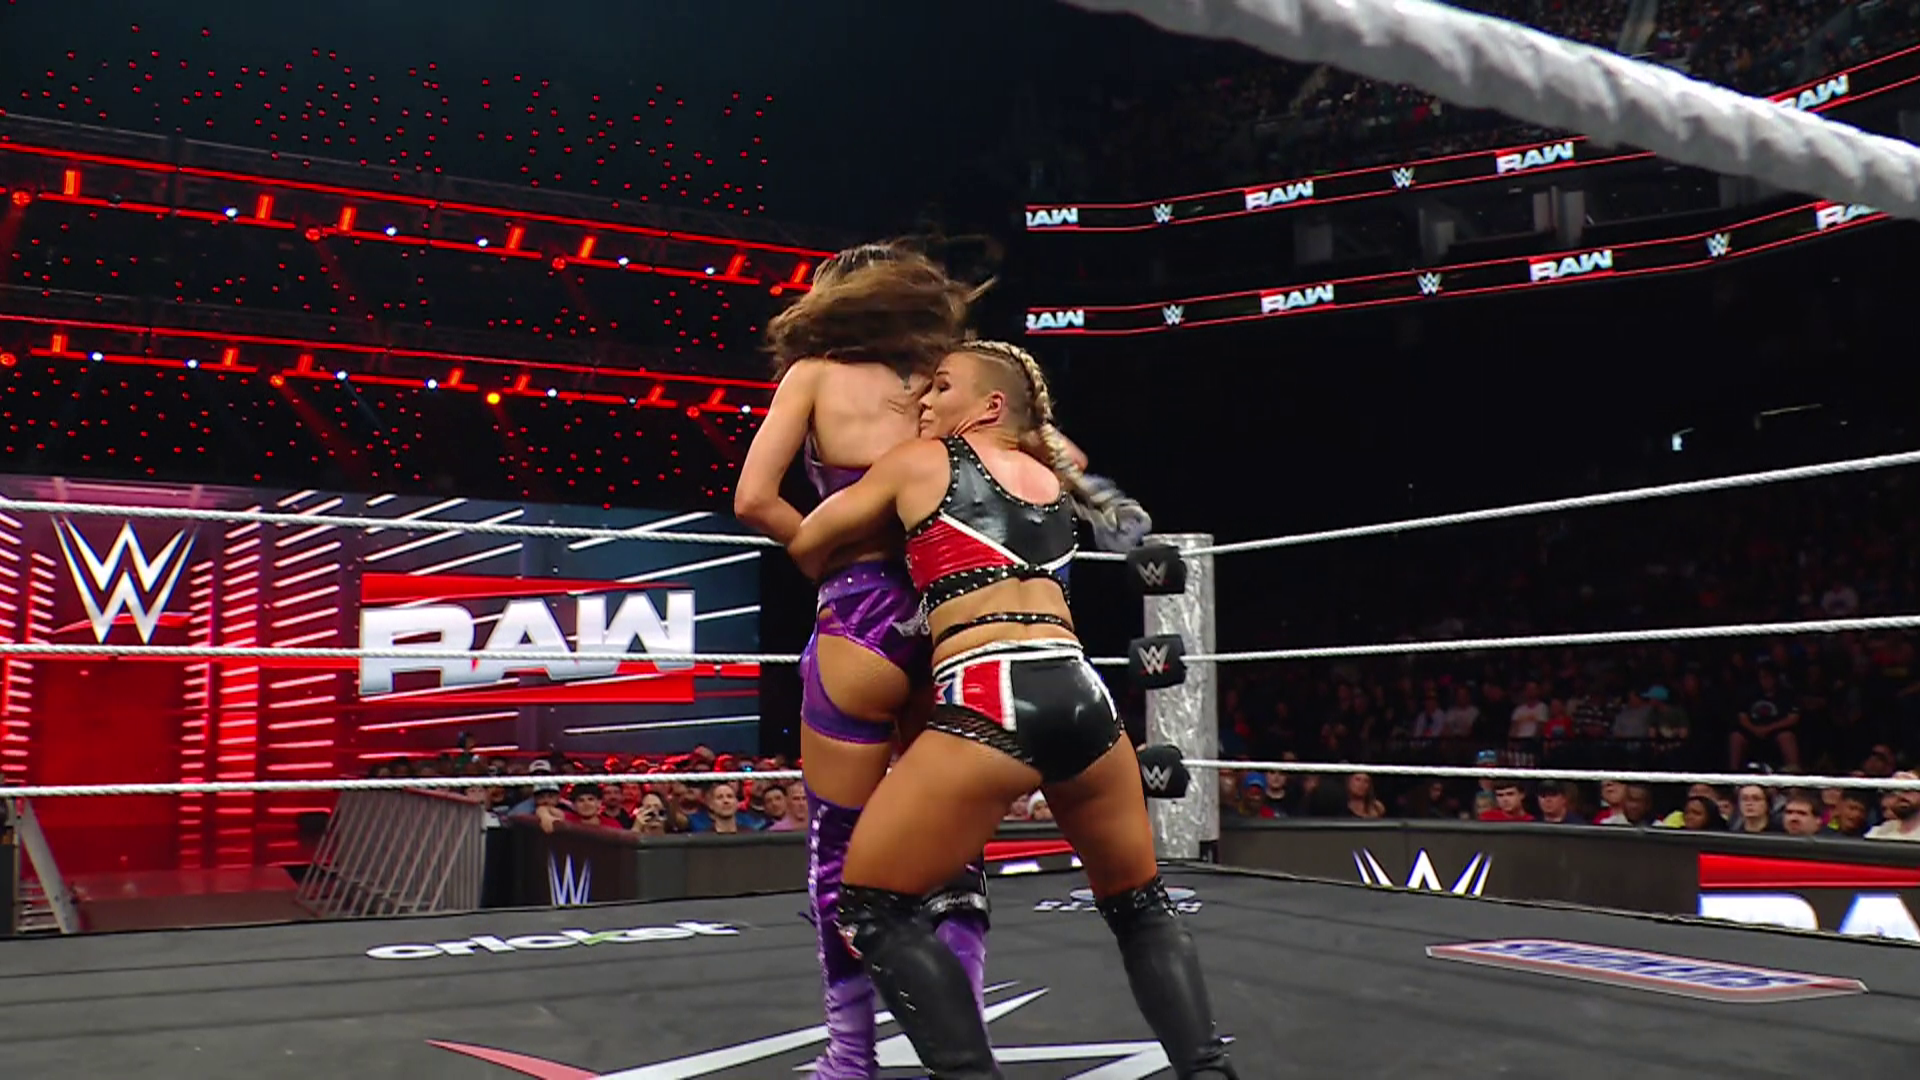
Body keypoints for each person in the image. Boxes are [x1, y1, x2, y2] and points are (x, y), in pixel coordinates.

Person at [788, 340, 1233, 1079]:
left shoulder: (919, 462)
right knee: (1138, 903)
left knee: (868, 904)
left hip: (991, 694)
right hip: (1084, 696)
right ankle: (1207, 1069)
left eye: (943, 388)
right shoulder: (1051, 480)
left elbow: (809, 542)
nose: (924, 402)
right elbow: (1059, 447)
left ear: (990, 405)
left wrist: (878, 551)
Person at [733, 242, 998, 1079]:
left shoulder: (813, 375)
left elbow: (754, 498)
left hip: (860, 618)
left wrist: (820, 550)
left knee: (837, 847)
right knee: (954, 845)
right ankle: (965, 1050)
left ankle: (852, 1057)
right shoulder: (946, 383)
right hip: (950, 619)